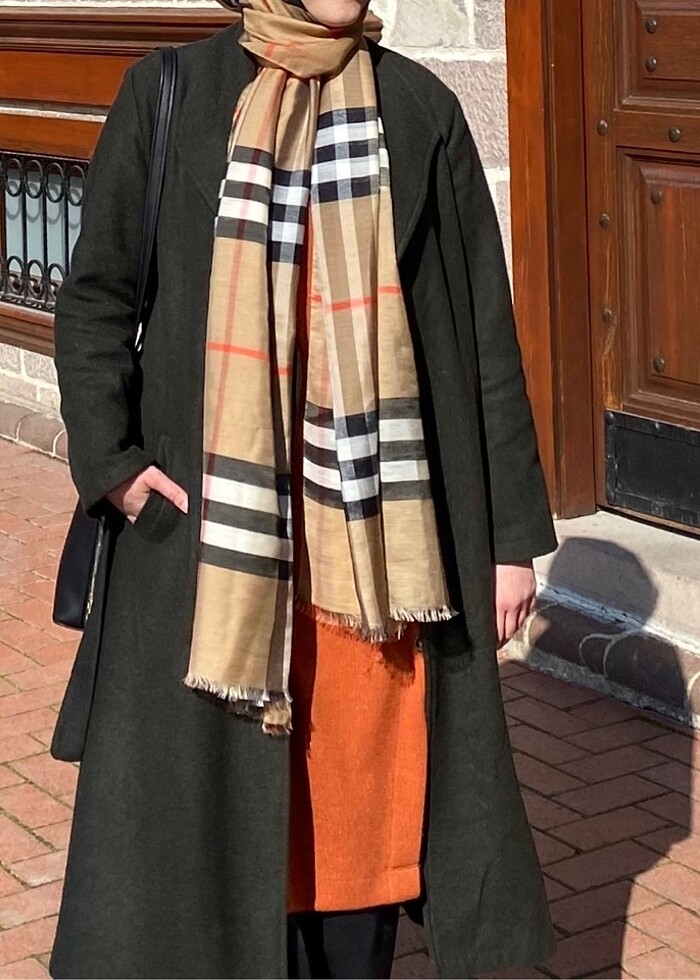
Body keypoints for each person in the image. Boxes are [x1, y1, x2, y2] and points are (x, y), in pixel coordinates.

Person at [49, 0, 558, 977]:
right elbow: (98, 294)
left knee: (358, 828)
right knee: (214, 832)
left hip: (374, 562)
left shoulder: (420, 109)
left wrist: (507, 539)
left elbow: (484, 336)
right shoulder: (169, 94)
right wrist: (112, 466)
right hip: (212, 550)